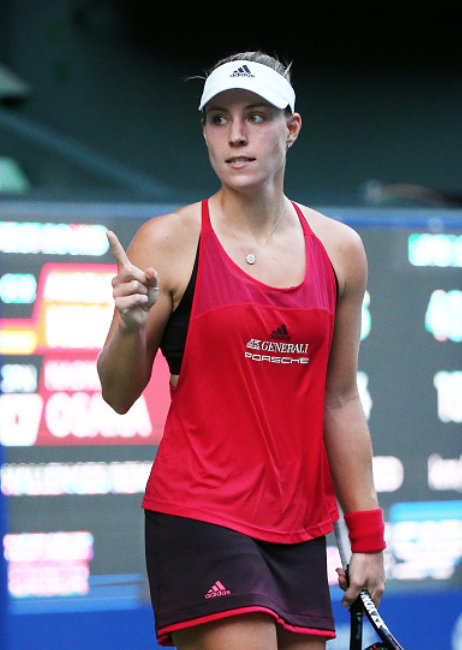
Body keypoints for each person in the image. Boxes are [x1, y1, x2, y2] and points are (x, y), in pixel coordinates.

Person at [97, 51, 386, 650]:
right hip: (201, 514)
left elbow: (339, 401)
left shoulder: (341, 250)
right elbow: (118, 394)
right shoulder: (168, 239)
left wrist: (368, 537)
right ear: (204, 131)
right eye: (219, 118)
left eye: (256, 116)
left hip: (300, 526)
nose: (236, 135)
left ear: (292, 126)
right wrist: (127, 326)